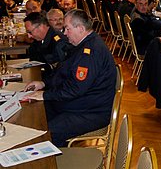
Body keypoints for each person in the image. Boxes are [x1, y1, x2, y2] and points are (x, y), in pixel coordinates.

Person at [25, 9, 116, 147]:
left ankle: (54, 161)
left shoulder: (90, 52)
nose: (64, 33)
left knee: (45, 133)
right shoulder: (81, 45)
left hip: (91, 111)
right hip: (82, 102)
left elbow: (74, 89)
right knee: (35, 115)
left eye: (67, 29)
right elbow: (63, 72)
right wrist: (43, 83)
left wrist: (45, 95)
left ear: (80, 28)